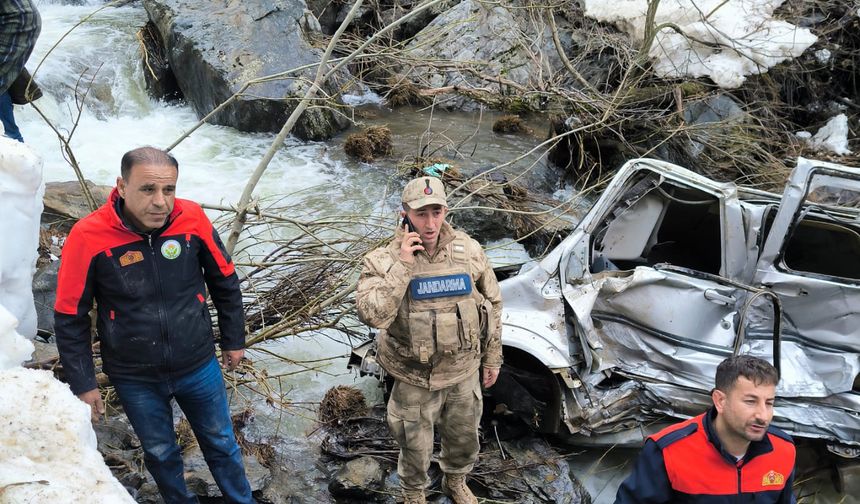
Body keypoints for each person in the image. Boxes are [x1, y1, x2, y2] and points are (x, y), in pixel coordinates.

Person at [54, 147, 253, 504]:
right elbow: (70, 316)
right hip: (134, 375)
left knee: (222, 443)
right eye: (148, 189)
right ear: (121, 186)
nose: (161, 202)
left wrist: (234, 339)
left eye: (169, 190)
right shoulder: (88, 236)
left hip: (198, 363)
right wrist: (84, 384)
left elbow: (225, 280)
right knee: (160, 452)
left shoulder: (191, 219)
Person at [356, 176, 503, 504]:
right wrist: (404, 267)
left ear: (445, 210)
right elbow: (372, 314)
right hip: (413, 377)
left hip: (463, 373)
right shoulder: (382, 259)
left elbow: (492, 302)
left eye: (437, 212)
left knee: (464, 439)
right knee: (414, 446)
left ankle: (455, 480)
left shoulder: (469, 251)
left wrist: (492, 357)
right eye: (421, 214)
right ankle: (413, 494)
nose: (430, 222)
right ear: (405, 212)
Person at [614, 355, 797, 503]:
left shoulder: (783, 450)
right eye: (750, 402)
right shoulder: (668, 450)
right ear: (720, 401)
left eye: (769, 403)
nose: (763, 415)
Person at [0, 0, 41, 143]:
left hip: (16, 21)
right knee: (4, 72)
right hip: (22, 17)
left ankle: (13, 137)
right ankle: (12, 136)